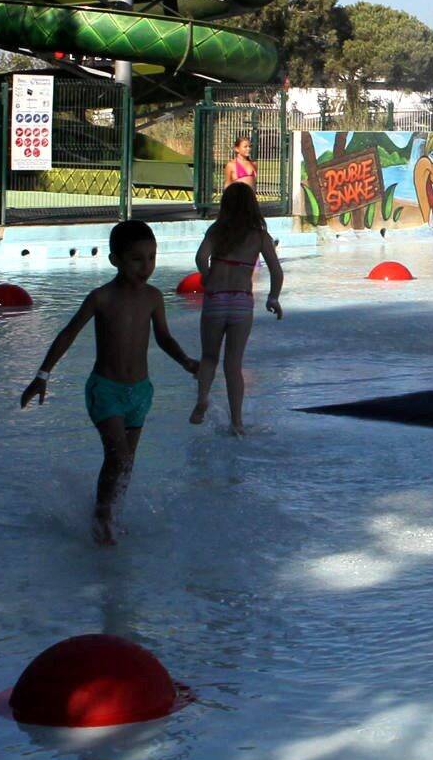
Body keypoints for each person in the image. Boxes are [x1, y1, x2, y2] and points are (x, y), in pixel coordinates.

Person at [20, 220, 199, 543]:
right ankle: (102, 517)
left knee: (124, 463)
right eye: (136, 259)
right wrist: (42, 375)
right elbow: (69, 333)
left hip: (140, 393)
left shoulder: (154, 297)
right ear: (114, 259)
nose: (146, 266)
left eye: (151, 257)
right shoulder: (101, 298)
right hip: (106, 391)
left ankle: (111, 512)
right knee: (119, 457)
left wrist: (187, 362)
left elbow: (163, 338)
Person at [191, 182, 285, 431]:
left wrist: (207, 274)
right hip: (242, 302)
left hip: (216, 299)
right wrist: (273, 298)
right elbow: (276, 271)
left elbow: (200, 257)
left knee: (209, 356)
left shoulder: (217, 230)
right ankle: (237, 422)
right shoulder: (259, 236)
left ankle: (202, 399)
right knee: (233, 364)